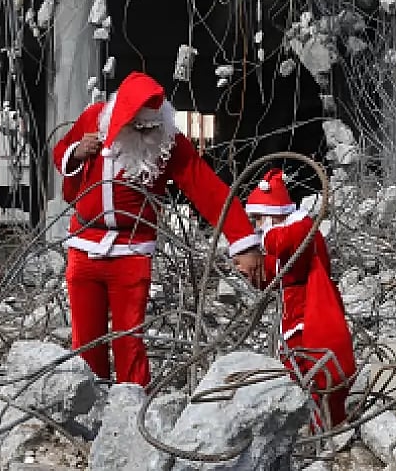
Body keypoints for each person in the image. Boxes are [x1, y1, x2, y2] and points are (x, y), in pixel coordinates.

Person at [52, 71, 266, 386]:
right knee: (86, 339)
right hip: (85, 246)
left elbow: (208, 189)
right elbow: (61, 156)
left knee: (129, 339)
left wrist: (244, 243)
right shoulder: (94, 119)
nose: (144, 133)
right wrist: (76, 152)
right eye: (137, 126)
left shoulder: (168, 141)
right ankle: (89, 403)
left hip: (132, 251)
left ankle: (132, 404)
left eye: (150, 126)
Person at [243, 168, 356, 429]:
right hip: (294, 310)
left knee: (312, 363)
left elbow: (283, 244)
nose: (258, 227)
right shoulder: (292, 232)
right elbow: (279, 271)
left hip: (309, 309)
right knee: (295, 364)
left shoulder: (301, 228)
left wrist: (265, 235)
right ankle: (304, 421)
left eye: (260, 219)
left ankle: (319, 423)